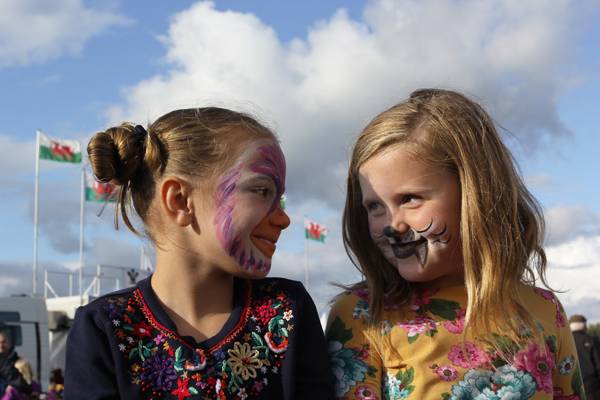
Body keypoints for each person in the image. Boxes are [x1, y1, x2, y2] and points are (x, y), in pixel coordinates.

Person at [326, 89, 585, 399]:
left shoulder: (543, 310)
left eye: (410, 198)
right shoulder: (361, 316)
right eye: (374, 207)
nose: (392, 225)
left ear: (475, 192)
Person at [64, 108, 333, 399]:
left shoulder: (287, 310)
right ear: (180, 201)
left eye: (278, 198)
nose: (283, 219)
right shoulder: (106, 328)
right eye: (261, 190)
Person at [570, 314, 600, 399]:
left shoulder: (565, 343)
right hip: (592, 387)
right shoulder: (591, 340)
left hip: (571, 388)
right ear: (583, 324)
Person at [0, 331, 31, 399]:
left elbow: (28, 383)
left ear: (10, 343)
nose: (1, 346)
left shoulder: (21, 362)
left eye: (3, 342)